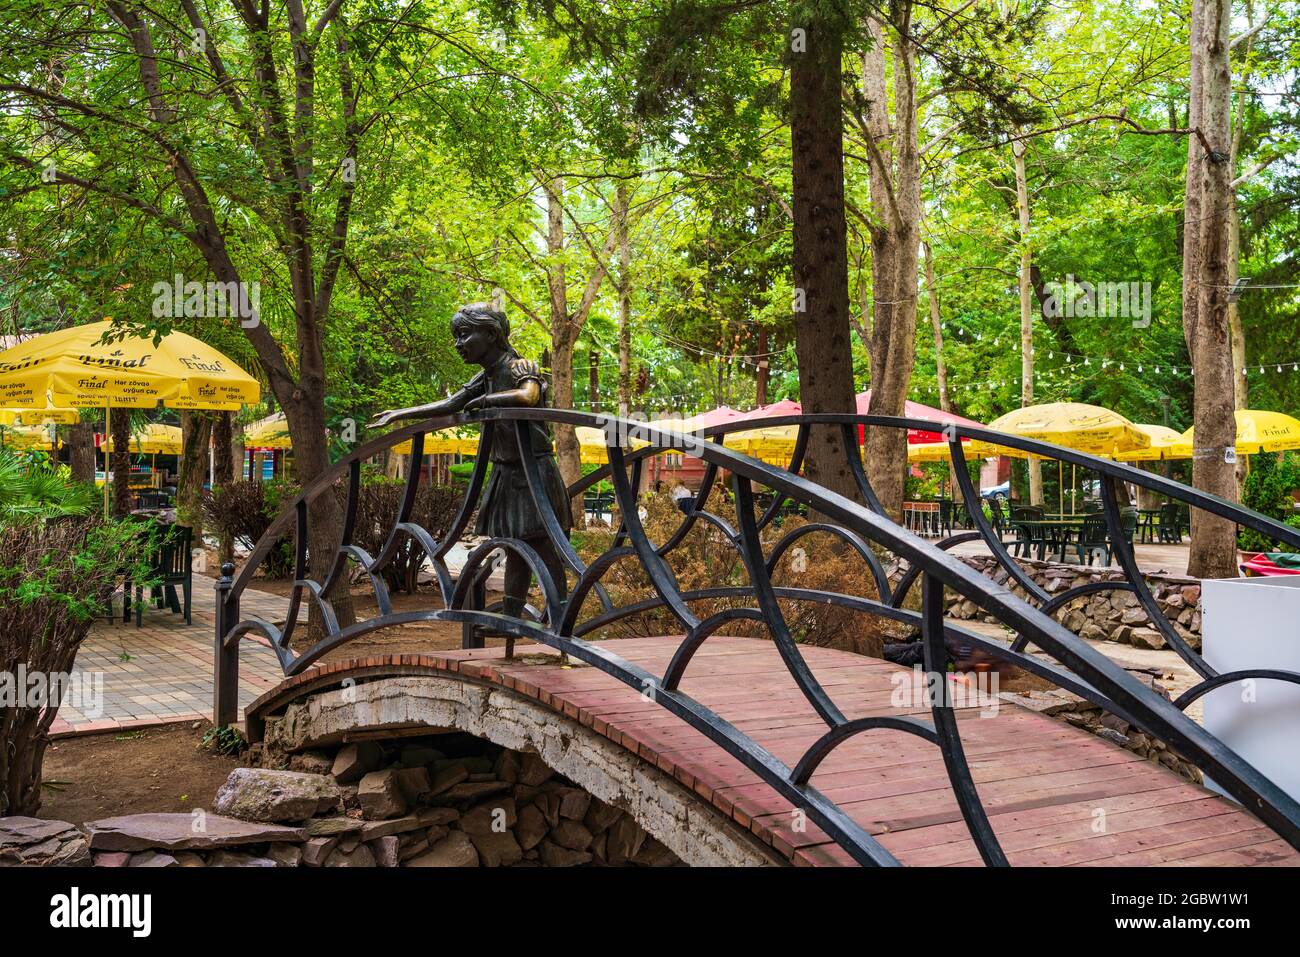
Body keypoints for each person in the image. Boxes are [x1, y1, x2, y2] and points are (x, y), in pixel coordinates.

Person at [372, 303, 570, 648]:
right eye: (456, 337)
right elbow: (451, 404)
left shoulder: (518, 365)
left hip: (534, 473)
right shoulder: (487, 374)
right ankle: (511, 617)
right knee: (517, 547)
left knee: (545, 549)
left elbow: (530, 395)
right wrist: (400, 413)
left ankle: (563, 622)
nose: (458, 343)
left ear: (491, 334)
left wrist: (487, 400)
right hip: (508, 471)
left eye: (465, 335)